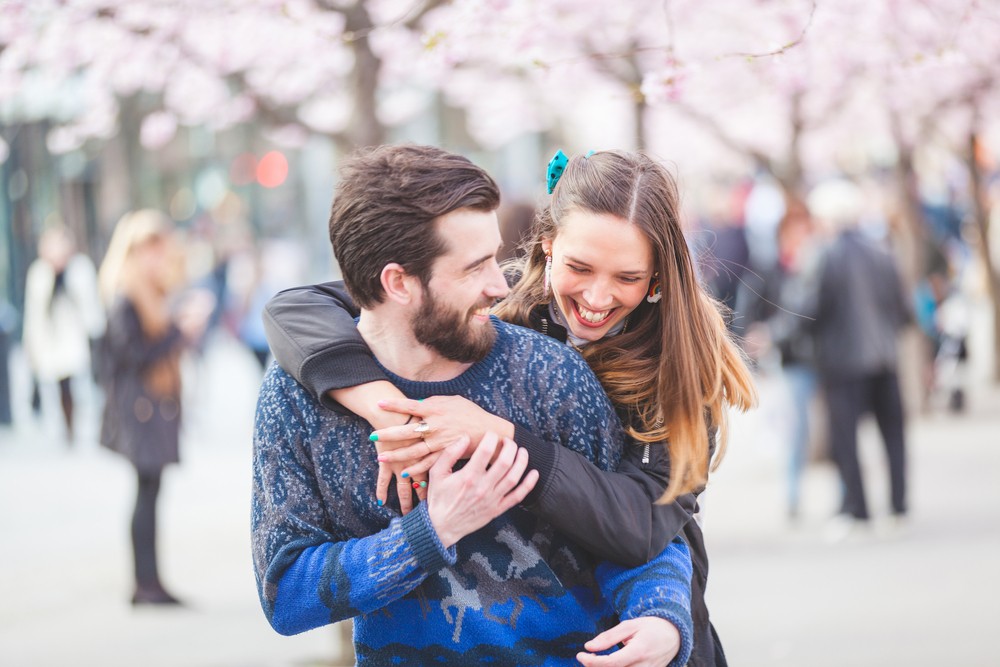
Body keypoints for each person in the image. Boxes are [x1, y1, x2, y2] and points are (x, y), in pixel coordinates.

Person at [262, 148, 757, 665]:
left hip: (648, 635)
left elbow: (641, 529)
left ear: (657, 276)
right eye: (580, 267)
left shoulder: (675, 371)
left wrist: (502, 439)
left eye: (627, 277)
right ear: (547, 248)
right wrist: (379, 405)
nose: (597, 295)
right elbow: (303, 306)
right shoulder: (501, 319)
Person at [97, 210, 213, 605]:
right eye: (150, 249)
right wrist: (180, 332)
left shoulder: (151, 289)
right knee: (146, 492)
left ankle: (148, 582)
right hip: (138, 408)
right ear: (133, 251)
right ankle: (145, 584)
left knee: (150, 490)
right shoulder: (126, 294)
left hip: (152, 406)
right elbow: (133, 355)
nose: (157, 257)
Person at [806, 179, 913, 536]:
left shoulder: (826, 255)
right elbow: (902, 308)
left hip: (843, 361)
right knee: (893, 435)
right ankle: (899, 506)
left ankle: (858, 509)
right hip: (884, 355)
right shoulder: (882, 251)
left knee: (846, 437)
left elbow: (813, 308)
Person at [735, 200, 822, 521]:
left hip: (826, 358)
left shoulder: (818, 265)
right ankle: (793, 496)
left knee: (835, 430)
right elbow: (750, 305)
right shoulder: (772, 269)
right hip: (795, 359)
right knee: (797, 430)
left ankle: (843, 496)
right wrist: (755, 340)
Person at [22, 227, 105, 443]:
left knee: (77, 384)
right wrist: (30, 343)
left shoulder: (78, 269)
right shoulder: (40, 273)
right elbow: (34, 312)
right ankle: (66, 427)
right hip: (51, 340)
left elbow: (89, 304)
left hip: (75, 337)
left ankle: (76, 424)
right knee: (59, 386)